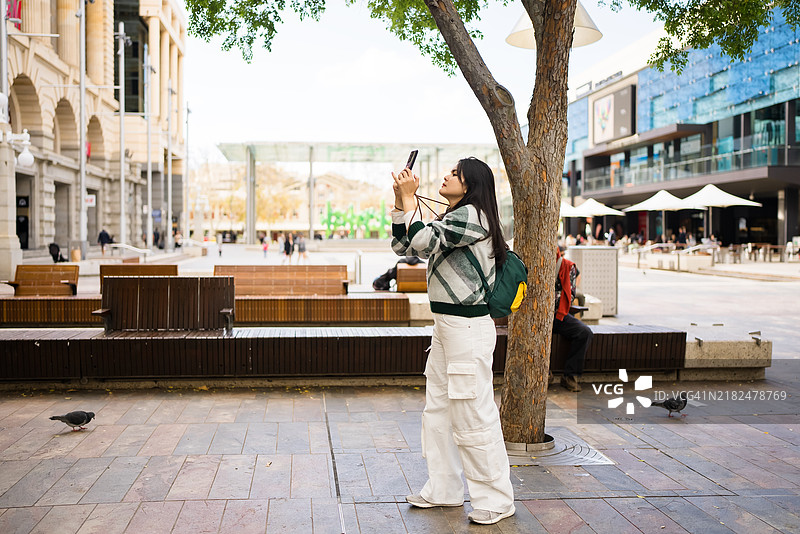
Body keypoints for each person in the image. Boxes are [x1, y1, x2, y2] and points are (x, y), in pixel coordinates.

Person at [391, 157, 515, 525]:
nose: (446, 176)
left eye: (455, 174)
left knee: (472, 413)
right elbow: (403, 246)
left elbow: (420, 239)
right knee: (439, 411)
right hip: (446, 327)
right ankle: (444, 489)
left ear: (471, 185)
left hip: (466, 330)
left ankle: (496, 497)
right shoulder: (452, 217)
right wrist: (402, 202)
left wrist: (410, 200)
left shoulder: (473, 217)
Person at [554, 247, 593, 392]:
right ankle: (545, 374)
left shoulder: (567, 266)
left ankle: (570, 376)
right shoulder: (531, 263)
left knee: (584, 332)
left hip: (559, 314)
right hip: (534, 318)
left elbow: (570, 296)